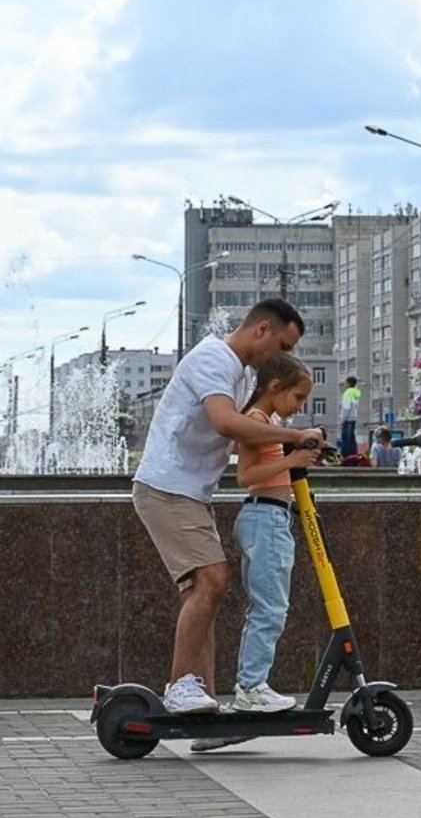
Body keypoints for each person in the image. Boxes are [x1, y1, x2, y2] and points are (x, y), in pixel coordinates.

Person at [132, 298, 323, 714]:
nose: (284, 358)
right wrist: (295, 439)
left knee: (207, 591)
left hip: (189, 492)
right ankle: (179, 685)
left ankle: (205, 708)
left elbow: (248, 434)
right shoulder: (213, 359)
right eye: (284, 347)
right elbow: (225, 422)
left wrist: (290, 443)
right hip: (167, 487)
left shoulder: (239, 374)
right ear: (262, 331)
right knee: (213, 581)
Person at [230, 353, 321, 713]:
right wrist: (292, 460)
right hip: (265, 517)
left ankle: (252, 684)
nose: (299, 407)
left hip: (270, 518)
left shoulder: (266, 420)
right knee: (270, 609)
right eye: (297, 397)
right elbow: (245, 476)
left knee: (268, 607)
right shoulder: (255, 420)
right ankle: (252, 687)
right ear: (274, 386)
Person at [338, 376, 361, 457]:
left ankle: (346, 456)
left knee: (345, 438)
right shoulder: (356, 392)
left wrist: (342, 420)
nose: (345, 384)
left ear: (349, 383)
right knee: (352, 438)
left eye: (346, 382)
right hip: (353, 418)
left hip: (347, 419)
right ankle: (354, 455)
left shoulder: (347, 393)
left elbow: (346, 408)